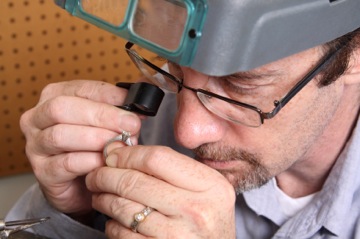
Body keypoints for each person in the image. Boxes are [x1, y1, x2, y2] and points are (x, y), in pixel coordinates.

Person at [6, 1, 360, 238]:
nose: (186, 132)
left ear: (353, 54)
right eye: (173, 69)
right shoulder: (144, 124)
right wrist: (77, 217)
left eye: (240, 84)